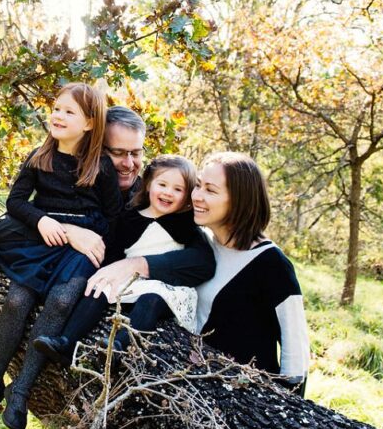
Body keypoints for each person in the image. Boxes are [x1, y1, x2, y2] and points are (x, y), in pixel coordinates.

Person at [82, 152, 310, 394]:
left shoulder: (271, 263)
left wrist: (286, 408)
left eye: (210, 190)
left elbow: (296, 353)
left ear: (240, 200)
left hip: (246, 394)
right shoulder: (198, 244)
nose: (197, 196)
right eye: (198, 185)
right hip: (187, 387)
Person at [0, 83, 122, 429]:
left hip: (82, 245)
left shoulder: (99, 165)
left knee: (63, 298)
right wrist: (42, 220)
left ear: (89, 123)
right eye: (56, 108)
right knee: (16, 300)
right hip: (42, 237)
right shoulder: (40, 156)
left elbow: (114, 217)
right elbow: (16, 202)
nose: (58, 115)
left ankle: (21, 390)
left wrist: (104, 255)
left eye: (69, 111)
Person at [34, 155, 206, 366]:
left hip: (166, 287)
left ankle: (117, 348)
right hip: (130, 280)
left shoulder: (187, 223)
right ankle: (65, 343)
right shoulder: (130, 217)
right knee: (99, 290)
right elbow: (114, 252)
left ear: (187, 196)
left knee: (150, 299)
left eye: (178, 189)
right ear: (149, 184)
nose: (168, 192)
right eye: (162, 184)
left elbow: (201, 260)